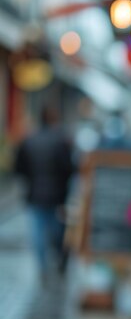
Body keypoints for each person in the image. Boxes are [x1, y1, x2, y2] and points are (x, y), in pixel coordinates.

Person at [14, 105, 74, 280]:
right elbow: (69, 169)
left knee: (38, 231)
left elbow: (19, 168)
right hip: (56, 195)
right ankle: (58, 258)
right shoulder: (61, 140)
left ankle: (42, 266)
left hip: (34, 194)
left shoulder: (29, 140)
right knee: (56, 230)